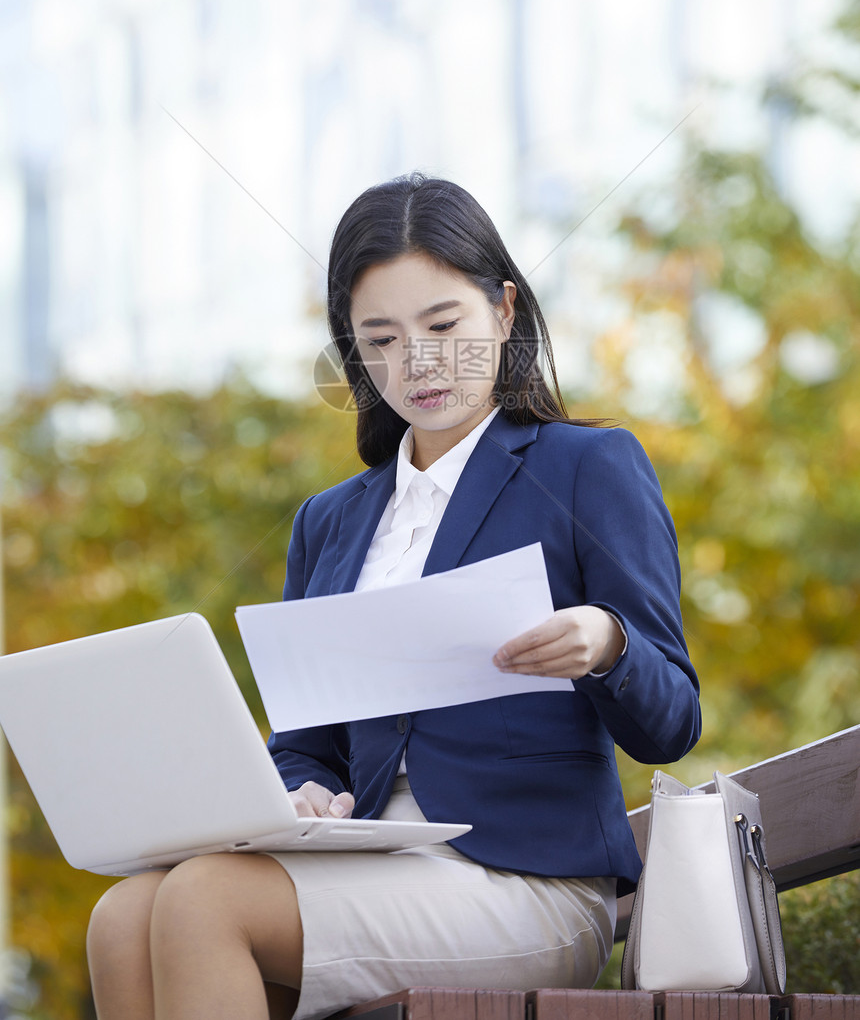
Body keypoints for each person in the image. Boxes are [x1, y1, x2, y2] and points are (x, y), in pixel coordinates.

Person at [86, 173, 701, 1020]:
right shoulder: (330, 522)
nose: (418, 362)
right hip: (367, 855)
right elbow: (303, 743)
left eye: (444, 324)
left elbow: (672, 724)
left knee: (202, 901)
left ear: (505, 312)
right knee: (122, 917)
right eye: (381, 339)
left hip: (526, 879)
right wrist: (296, 790)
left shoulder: (587, 468)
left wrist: (609, 642)